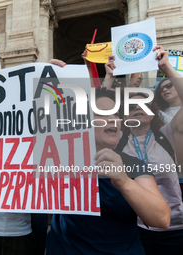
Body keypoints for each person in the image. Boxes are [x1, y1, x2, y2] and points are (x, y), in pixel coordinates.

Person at [46, 84, 170, 254]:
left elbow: (162, 219)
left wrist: (124, 181)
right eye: (102, 114)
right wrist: (50, 77)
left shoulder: (132, 164)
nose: (113, 119)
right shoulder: (57, 159)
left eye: (116, 114)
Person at [109, 46, 183, 255]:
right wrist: (105, 76)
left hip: (176, 228)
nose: (138, 108)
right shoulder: (117, 143)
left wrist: (166, 67)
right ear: (124, 116)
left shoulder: (168, 134)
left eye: (144, 105)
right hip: (136, 227)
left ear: (153, 113)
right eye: (132, 106)